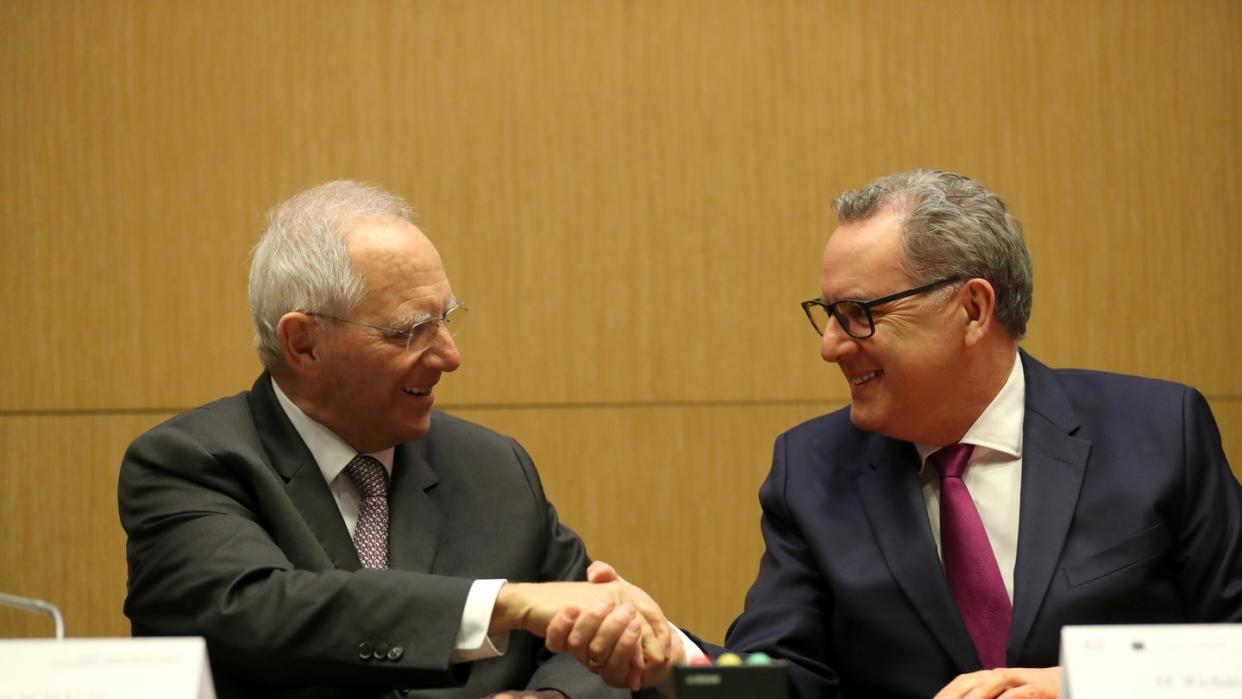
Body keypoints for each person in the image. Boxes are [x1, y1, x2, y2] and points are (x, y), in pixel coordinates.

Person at [554, 169, 1242, 698]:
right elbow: (784, 680)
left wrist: (1079, 683)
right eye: (827, 313)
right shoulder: (813, 469)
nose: (830, 345)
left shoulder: (1158, 432)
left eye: (859, 313)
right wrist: (674, 659)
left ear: (972, 308)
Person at [118, 180, 670, 699]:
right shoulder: (188, 464)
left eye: (447, 318)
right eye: (409, 331)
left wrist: (551, 697)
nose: (450, 356)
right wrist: (505, 604)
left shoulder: (493, 467)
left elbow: (587, 624)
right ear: (303, 344)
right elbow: (263, 611)